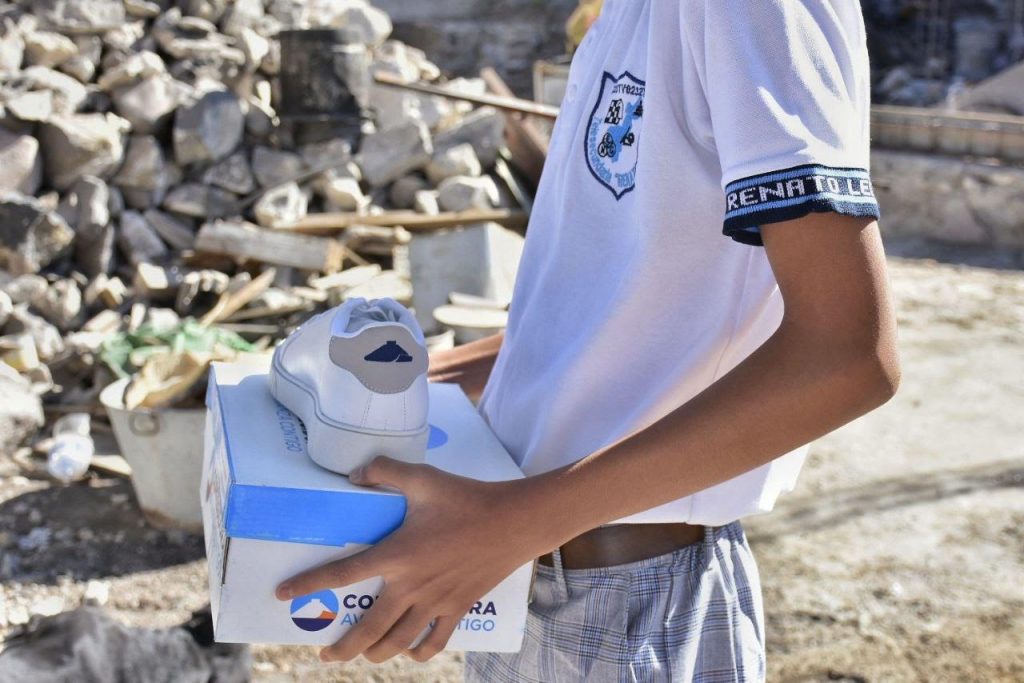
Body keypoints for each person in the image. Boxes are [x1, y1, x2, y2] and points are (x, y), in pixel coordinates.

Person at [275, 1, 900, 680]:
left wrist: (510, 524)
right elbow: (627, 313)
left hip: (624, 599)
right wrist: (437, 378)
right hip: (535, 568)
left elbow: (846, 355)